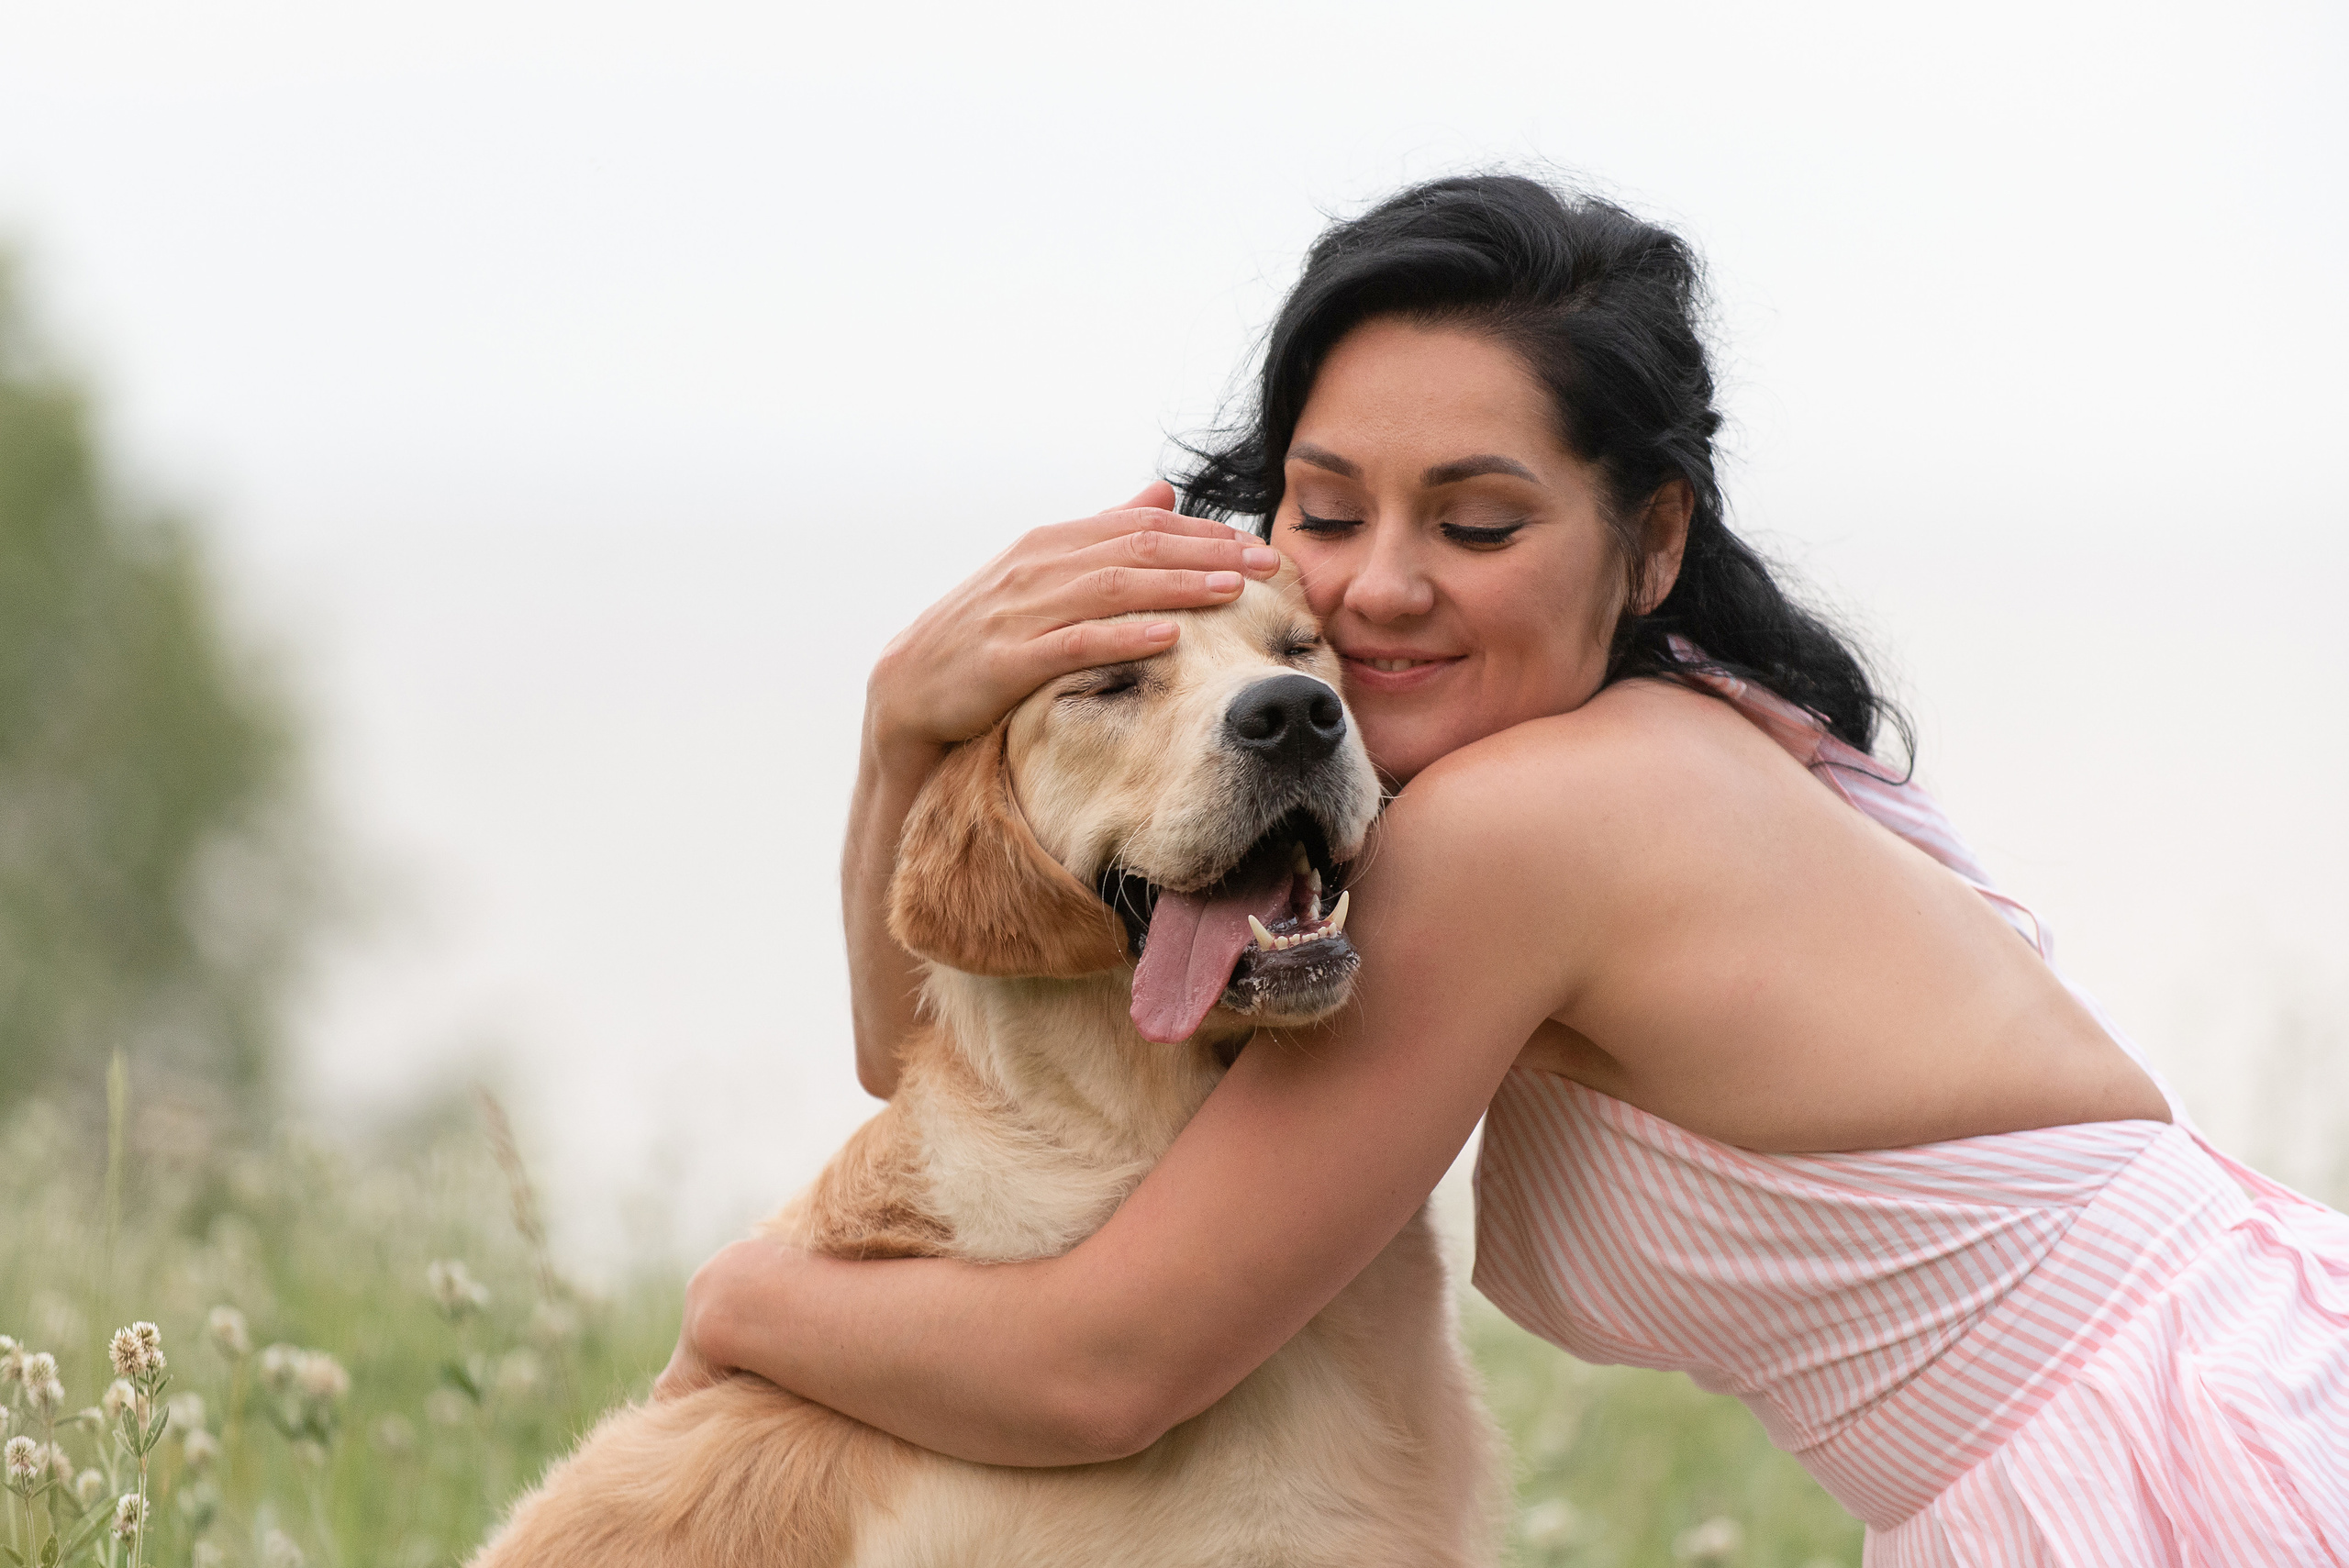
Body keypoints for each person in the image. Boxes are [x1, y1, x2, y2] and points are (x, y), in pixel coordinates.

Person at [658, 175, 2349, 1562]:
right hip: (2193, 1421)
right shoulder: (1663, 736)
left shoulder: (1518, 829)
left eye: (1474, 525)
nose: (1381, 588)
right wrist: (905, 729)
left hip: (2195, 1471)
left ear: (1655, 540)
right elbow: (942, 1044)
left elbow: (1112, 1366)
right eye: (1325, 513)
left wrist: (741, 1297)